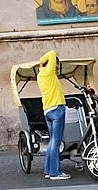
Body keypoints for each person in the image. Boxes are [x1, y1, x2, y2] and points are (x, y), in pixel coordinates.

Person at [37, 50, 70, 180]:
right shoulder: (48, 73)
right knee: (56, 142)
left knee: (52, 142)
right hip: (57, 109)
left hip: (48, 110)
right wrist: (42, 61)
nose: (56, 67)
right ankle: (55, 172)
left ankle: (48, 170)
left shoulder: (41, 75)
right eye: (55, 64)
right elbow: (52, 52)